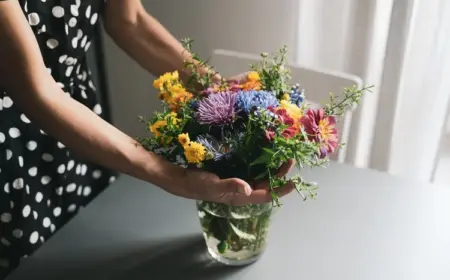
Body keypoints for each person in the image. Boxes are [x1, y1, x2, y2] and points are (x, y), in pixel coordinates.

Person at [0, 0, 294, 278]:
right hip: (12, 152)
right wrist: (174, 176)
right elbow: (36, 91)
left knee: (82, 255)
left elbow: (130, 21)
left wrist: (216, 93)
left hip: (81, 129)